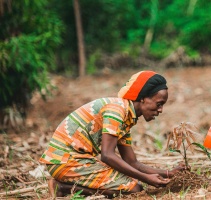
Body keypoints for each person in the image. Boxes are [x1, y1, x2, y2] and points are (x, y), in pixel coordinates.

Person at [39, 71, 187, 198]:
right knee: (135, 189)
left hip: (71, 160)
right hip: (65, 161)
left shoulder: (127, 117)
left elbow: (131, 162)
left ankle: (64, 186)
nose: (160, 110)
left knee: (132, 183)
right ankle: (63, 188)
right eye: (159, 103)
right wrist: (146, 178)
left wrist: (168, 173)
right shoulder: (117, 110)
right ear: (143, 98)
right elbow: (107, 155)